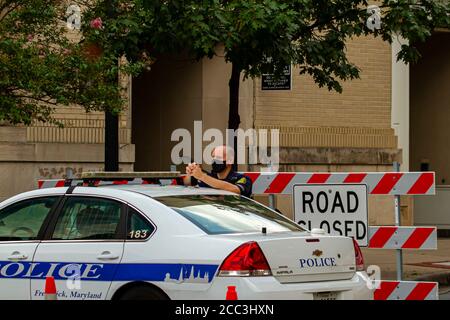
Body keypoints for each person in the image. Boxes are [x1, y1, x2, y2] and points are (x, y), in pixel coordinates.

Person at [183, 145, 252, 197]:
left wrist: (202, 176)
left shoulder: (242, 179)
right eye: (213, 157)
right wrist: (190, 172)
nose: (214, 160)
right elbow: (187, 184)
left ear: (230, 160)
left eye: (219, 157)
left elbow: (236, 190)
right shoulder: (208, 177)